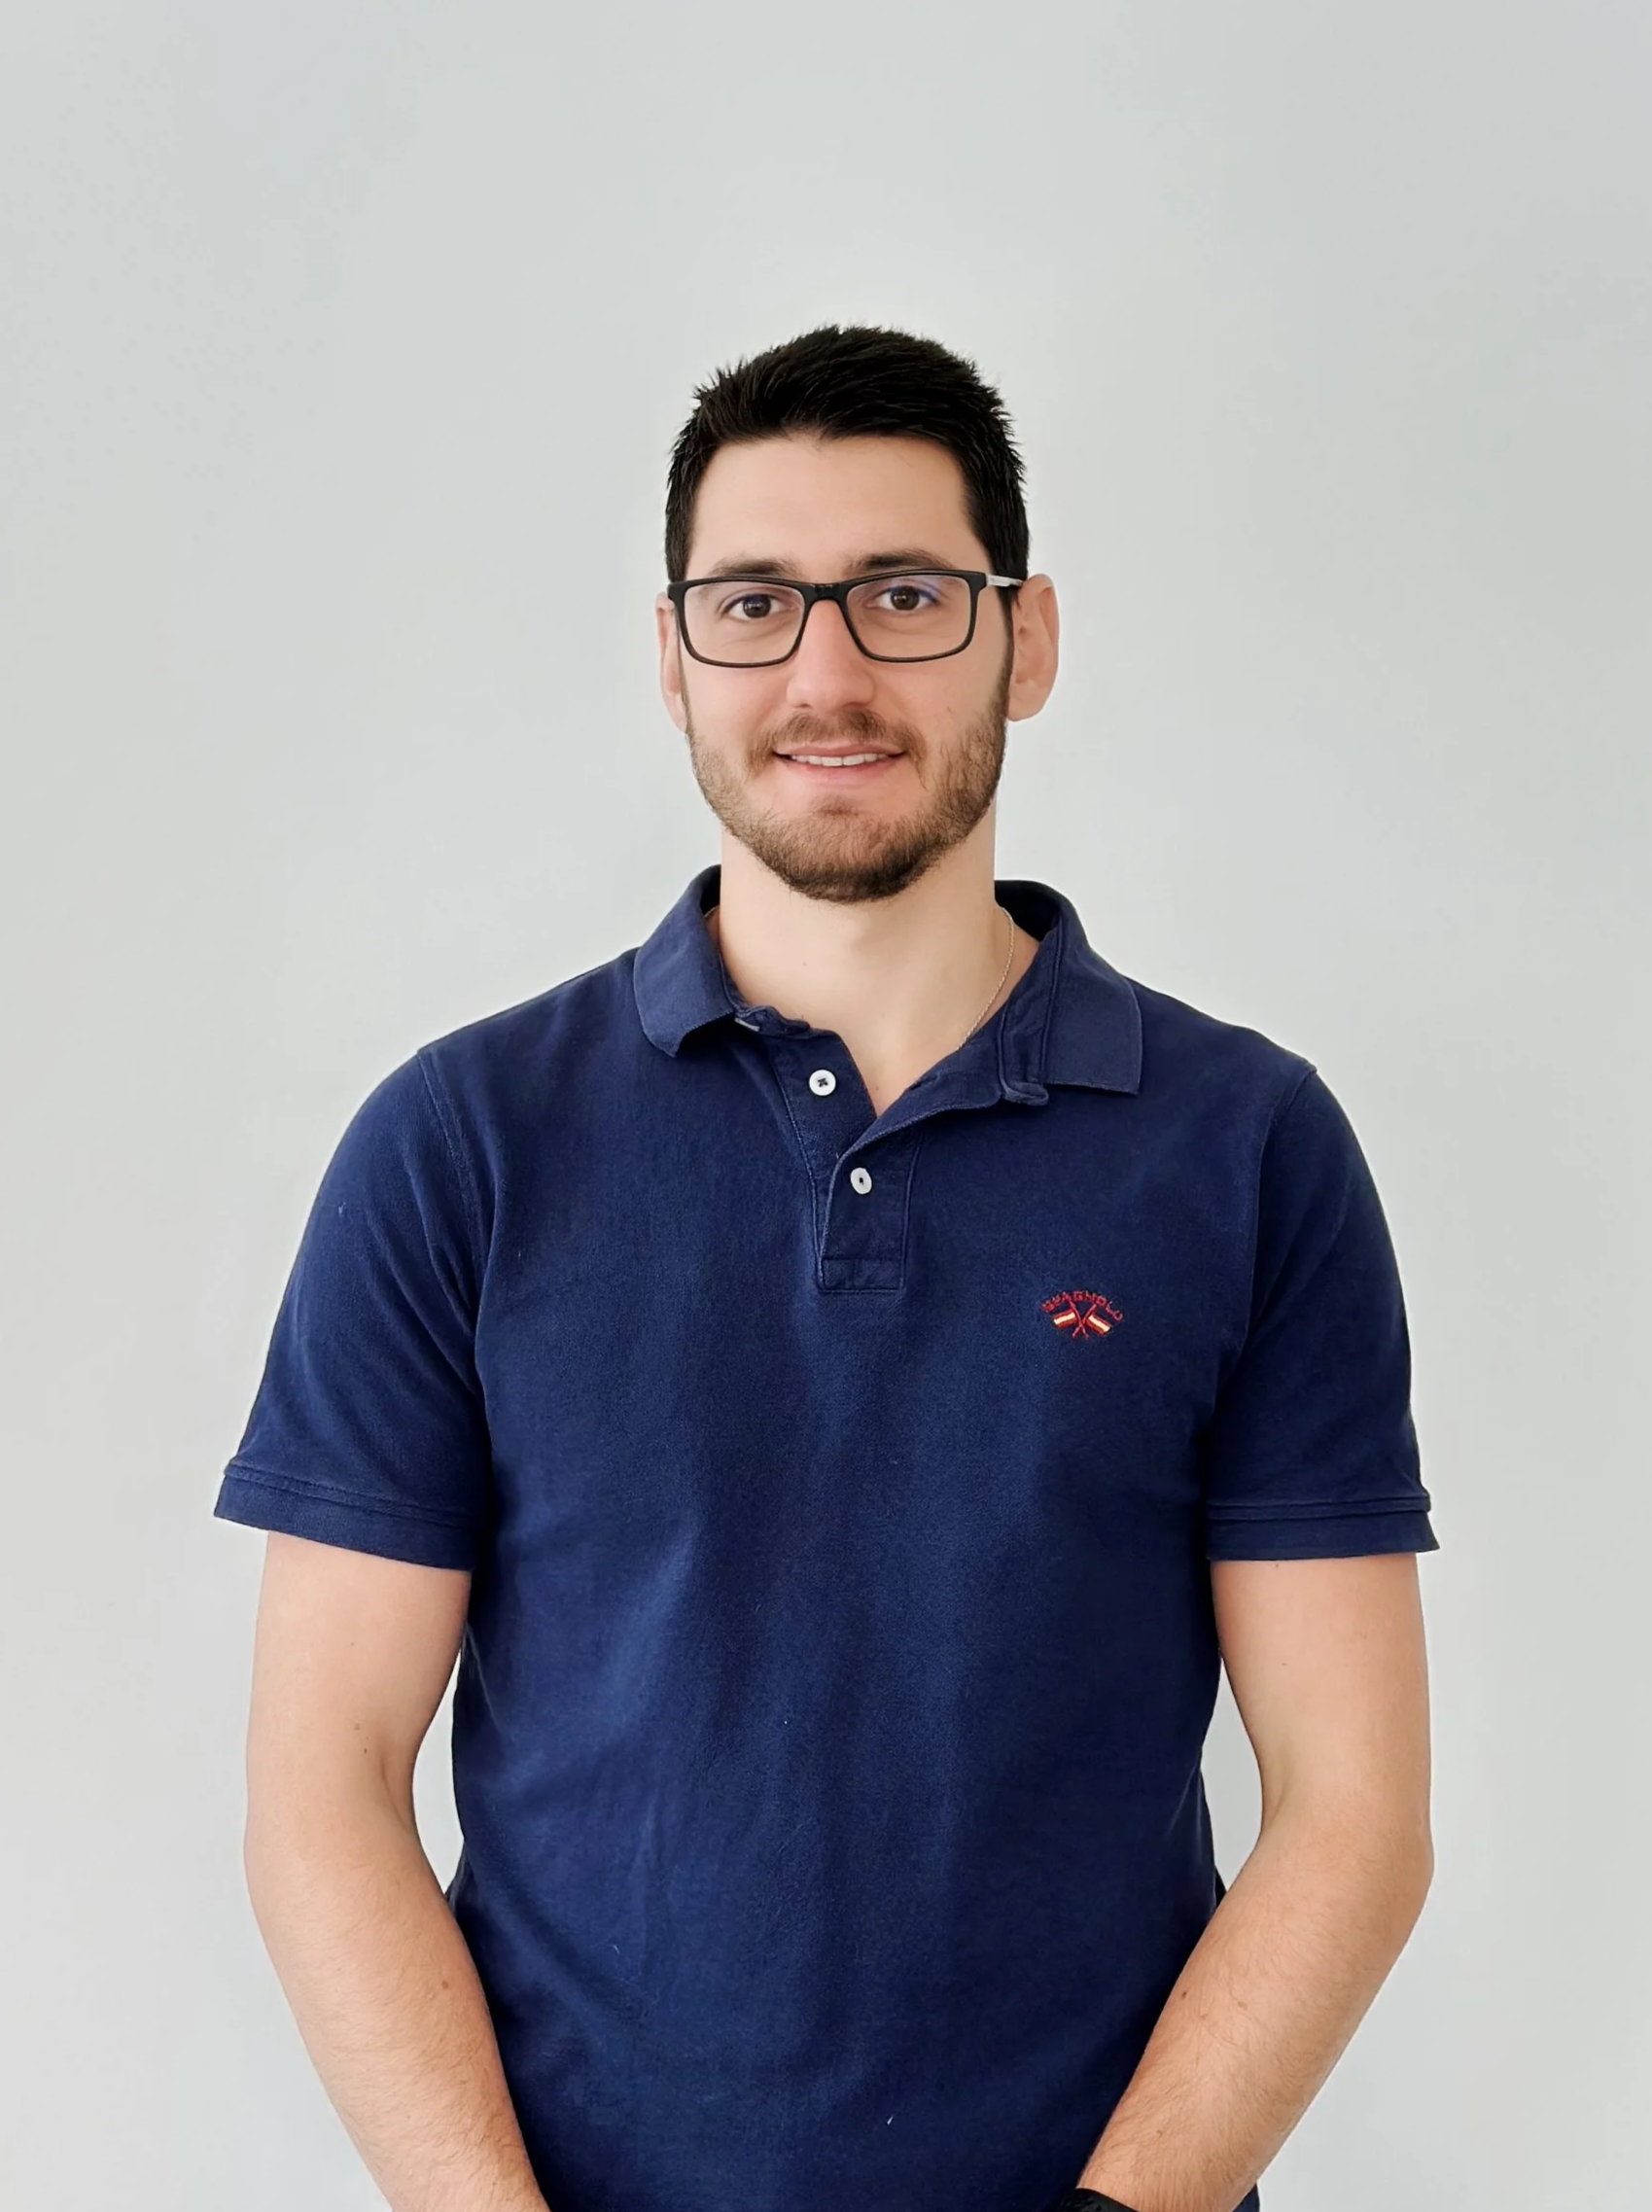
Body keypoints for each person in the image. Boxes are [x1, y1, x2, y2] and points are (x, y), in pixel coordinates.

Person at [215, 324, 1438, 2212]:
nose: (827, 671)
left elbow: (1353, 1814)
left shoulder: (1246, 1148)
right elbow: (322, 1786)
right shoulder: (458, 1146)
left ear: (1024, 638)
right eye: (754, 604)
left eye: (902, 595)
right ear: (671, 657)